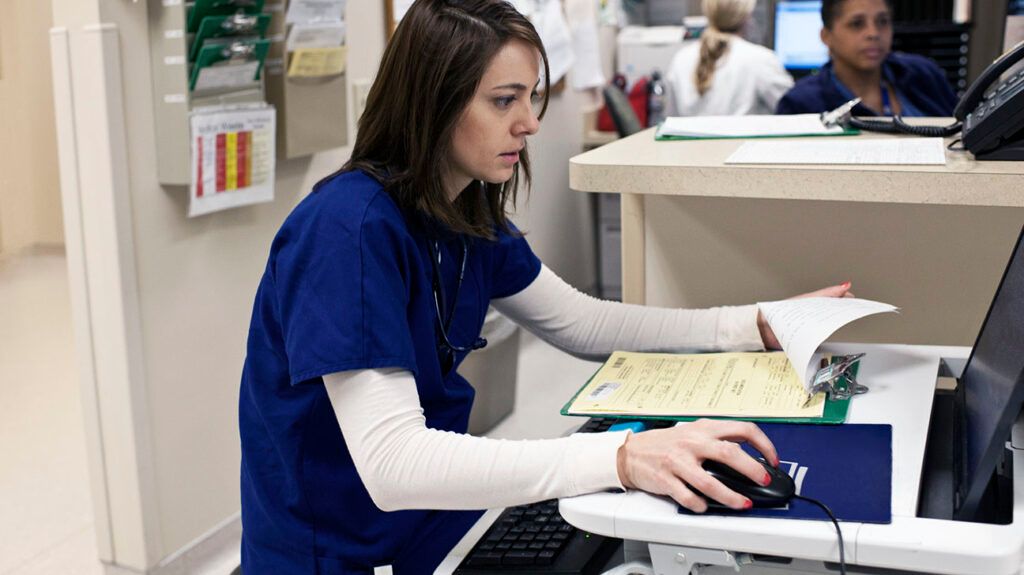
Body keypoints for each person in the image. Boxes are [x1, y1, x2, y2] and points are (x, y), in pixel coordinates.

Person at [238, 1, 852, 573]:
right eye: (505, 101)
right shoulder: (346, 231)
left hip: (427, 524)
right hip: (340, 548)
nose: (530, 122)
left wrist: (747, 326)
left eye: (530, 97)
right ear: (434, 102)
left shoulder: (461, 211)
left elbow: (580, 322)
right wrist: (620, 459)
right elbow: (395, 463)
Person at [776, 0, 957, 116]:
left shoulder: (923, 74)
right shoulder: (800, 103)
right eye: (857, 24)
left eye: (882, 22)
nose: (873, 33)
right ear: (826, 36)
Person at [665, 0, 793, 116]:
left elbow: (670, 121)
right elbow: (794, 109)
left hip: (690, 143)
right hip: (745, 141)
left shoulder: (681, 58)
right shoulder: (761, 59)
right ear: (746, 17)